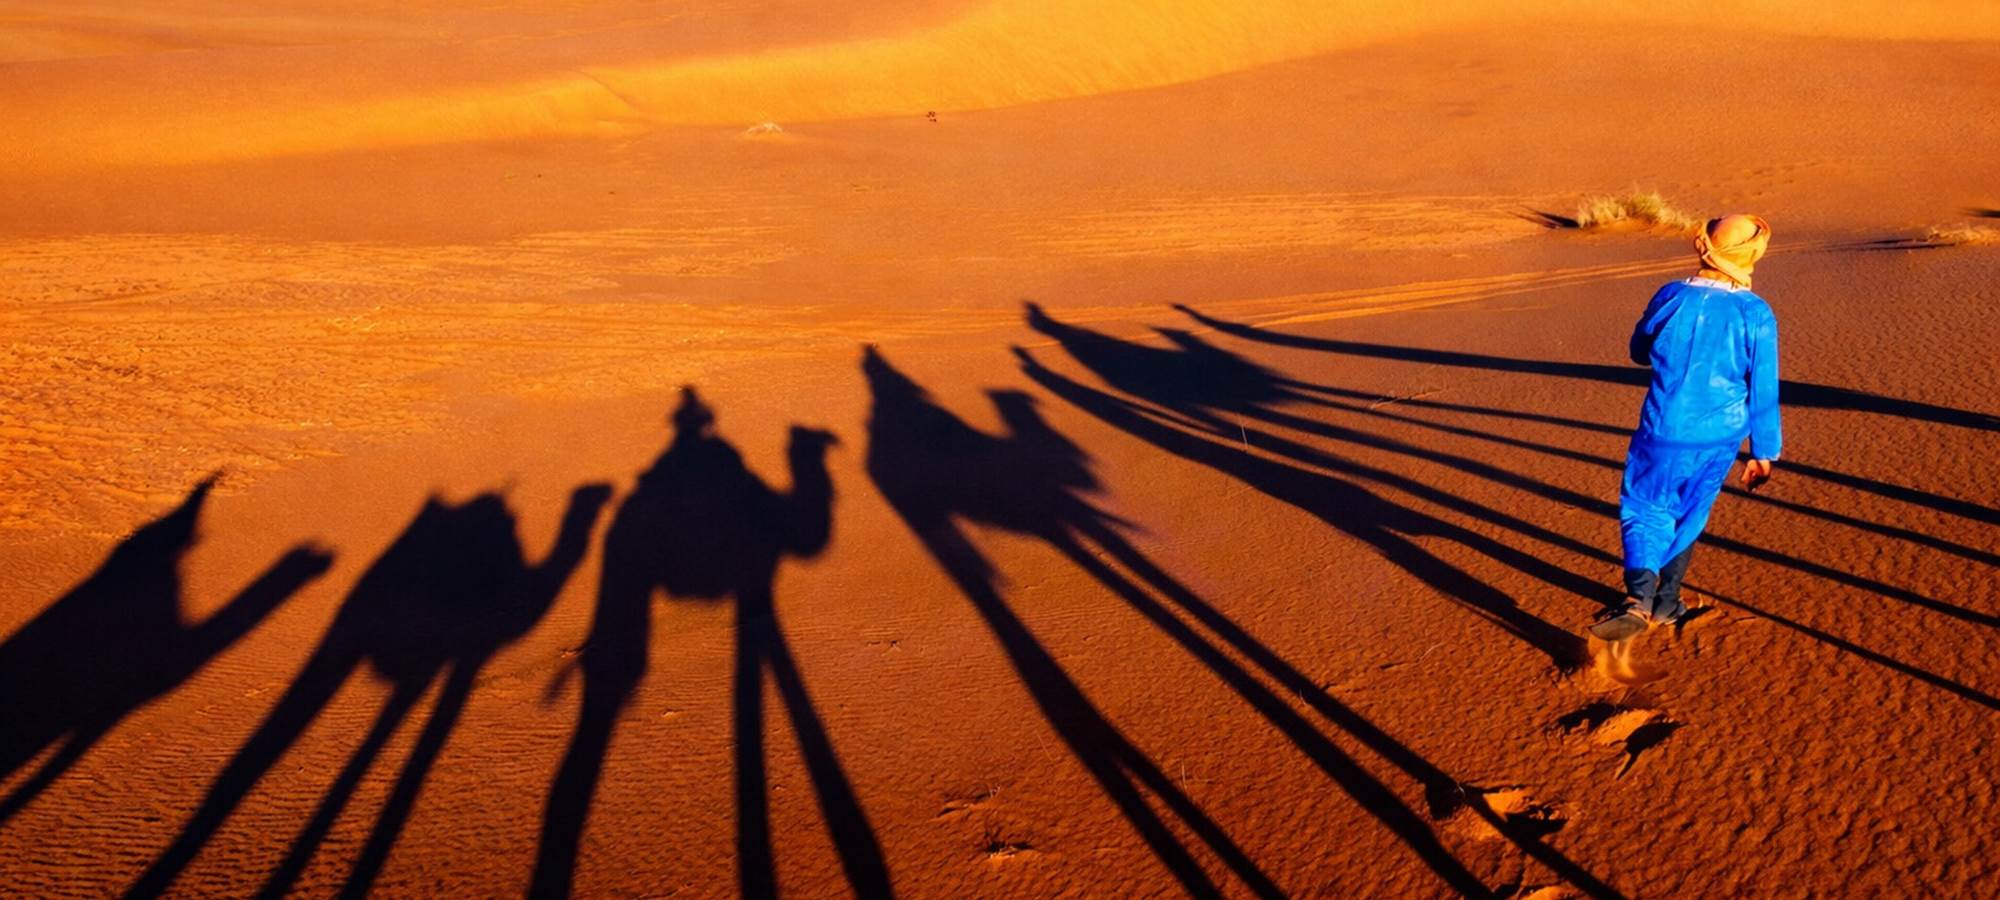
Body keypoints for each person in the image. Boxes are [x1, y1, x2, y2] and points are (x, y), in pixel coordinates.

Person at [1591, 214, 1781, 641]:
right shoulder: (1756, 312)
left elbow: (1639, 350)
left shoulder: (1671, 295)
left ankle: (1639, 599)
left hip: (1662, 427)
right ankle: (1668, 602)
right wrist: (1764, 452)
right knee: (1692, 511)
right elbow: (1764, 385)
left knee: (1644, 505)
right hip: (1721, 436)